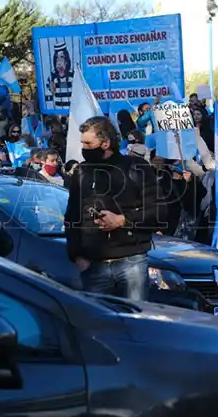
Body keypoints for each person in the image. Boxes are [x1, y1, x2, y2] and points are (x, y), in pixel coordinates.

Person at [64, 116, 163, 301]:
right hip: (93, 266)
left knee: (135, 322)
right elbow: (71, 216)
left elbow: (158, 212)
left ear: (105, 143)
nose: (83, 148)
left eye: (88, 143)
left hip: (132, 262)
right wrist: (77, 255)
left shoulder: (137, 167)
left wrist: (121, 220)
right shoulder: (81, 172)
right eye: (82, 143)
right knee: (100, 326)